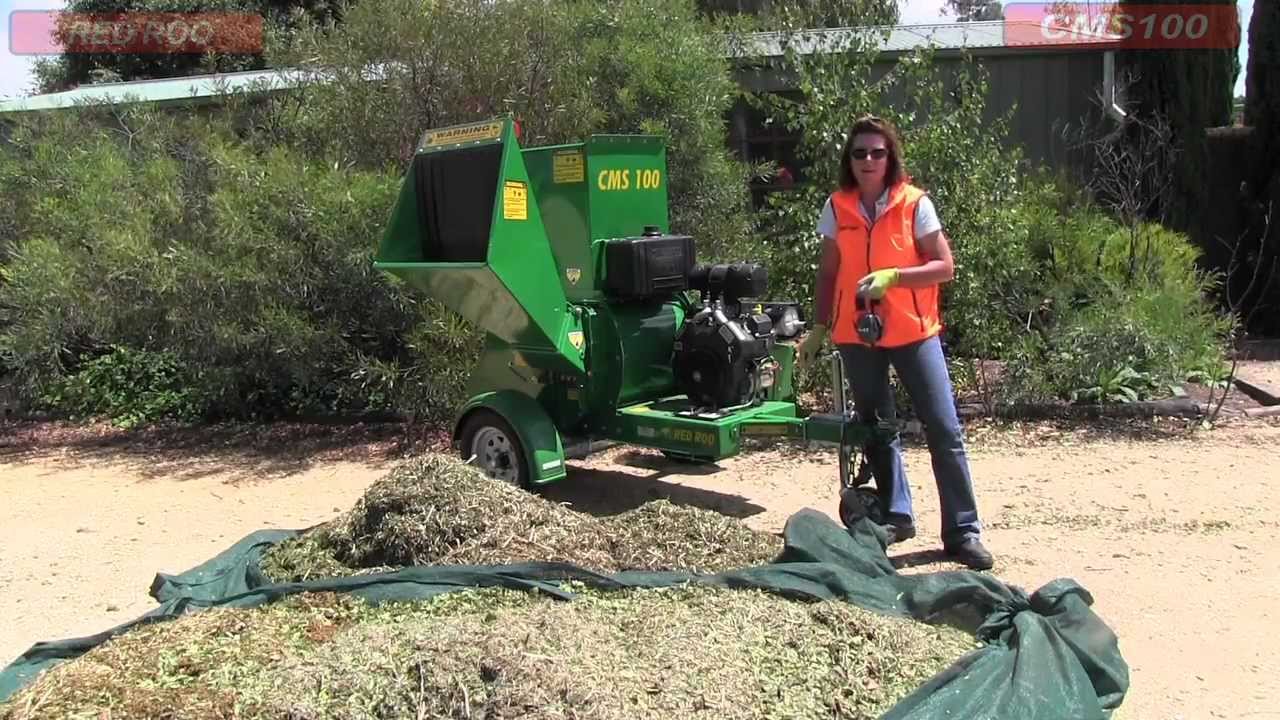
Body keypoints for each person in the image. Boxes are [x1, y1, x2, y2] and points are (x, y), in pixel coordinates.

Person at [796, 115, 993, 571]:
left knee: (944, 429)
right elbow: (828, 273)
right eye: (859, 153)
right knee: (877, 428)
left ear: (890, 158)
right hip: (856, 333)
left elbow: (944, 266)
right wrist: (819, 327)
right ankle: (897, 517)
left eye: (877, 152)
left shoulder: (914, 204)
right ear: (849, 159)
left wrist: (895, 277)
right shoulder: (837, 207)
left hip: (913, 332)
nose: (868, 160)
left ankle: (963, 532)